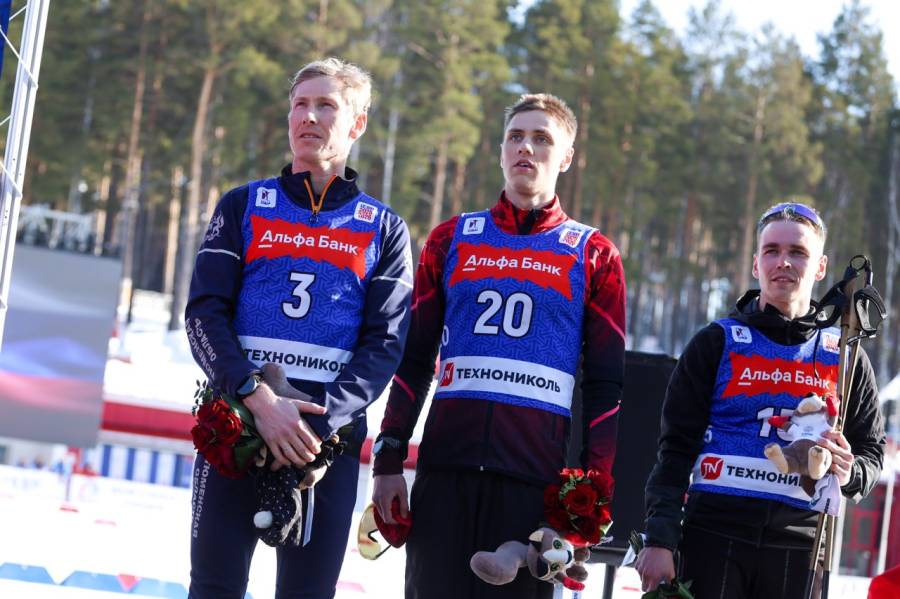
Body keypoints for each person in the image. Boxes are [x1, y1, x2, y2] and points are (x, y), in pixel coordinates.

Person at [371, 93, 626, 599]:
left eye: (541, 138)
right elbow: (414, 361)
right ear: (501, 150)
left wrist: (588, 493)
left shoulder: (595, 254)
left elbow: (605, 387)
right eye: (515, 136)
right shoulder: (450, 239)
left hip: (533, 487)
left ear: (567, 157)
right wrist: (388, 459)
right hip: (445, 475)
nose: (525, 147)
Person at [184, 57, 413, 599]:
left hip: (323, 443)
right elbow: (202, 315)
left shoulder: (384, 228)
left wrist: (318, 424)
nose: (309, 116)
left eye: (326, 105)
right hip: (237, 424)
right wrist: (257, 399)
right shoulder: (243, 204)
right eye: (300, 104)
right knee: (213, 588)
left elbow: (385, 346)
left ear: (357, 123)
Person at [635, 202, 885, 597]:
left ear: (820, 267)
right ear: (756, 264)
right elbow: (674, 450)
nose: (783, 262)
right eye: (772, 251)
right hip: (713, 534)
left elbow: (871, 452)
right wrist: (660, 538)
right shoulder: (716, 342)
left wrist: (849, 471)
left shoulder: (845, 354)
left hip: (800, 545)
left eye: (798, 252)